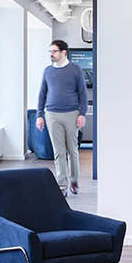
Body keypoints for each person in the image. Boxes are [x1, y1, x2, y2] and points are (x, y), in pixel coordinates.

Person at [35, 39, 88, 194]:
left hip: (72, 114)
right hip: (52, 115)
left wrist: (82, 114)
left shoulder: (75, 70)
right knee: (58, 152)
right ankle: (62, 185)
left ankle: (74, 181)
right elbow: (42, 94)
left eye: (54, 51)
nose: (51, 54)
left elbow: (83, 94)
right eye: (50, 51)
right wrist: (39, 115)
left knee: (72, 150)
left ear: (63, 52)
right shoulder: (47, 71)